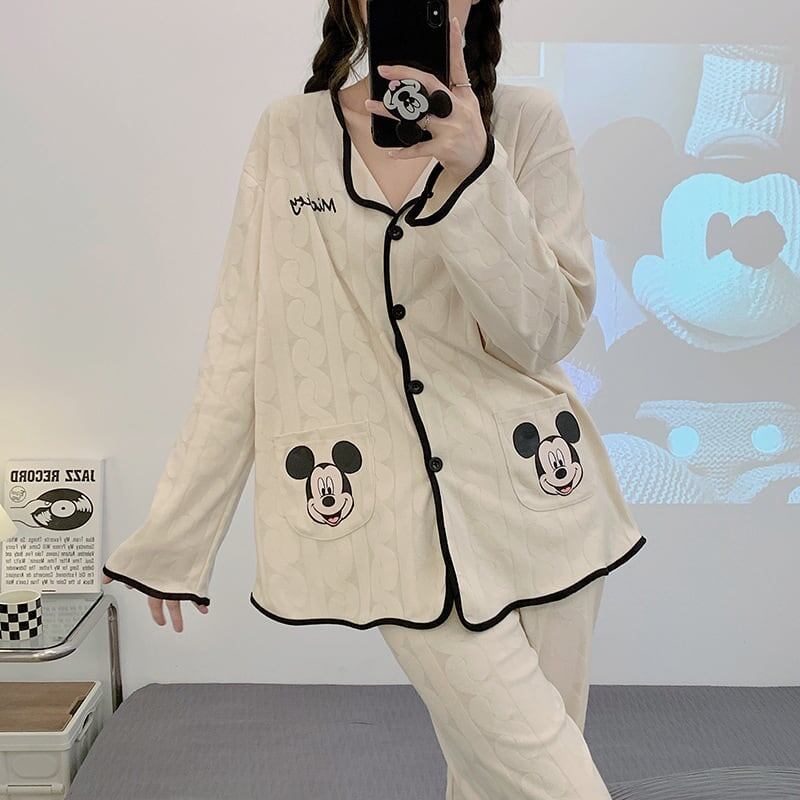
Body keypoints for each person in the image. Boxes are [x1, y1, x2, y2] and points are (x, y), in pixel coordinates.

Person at [103, 1, 647, 796]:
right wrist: (177, 537)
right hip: (389, 524)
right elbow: (242, 340)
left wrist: (476, 171)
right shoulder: (289, 136)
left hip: (541, 504)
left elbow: (545, 332)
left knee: (498, 782)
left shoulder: (529, 124)